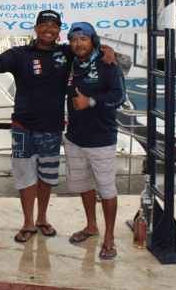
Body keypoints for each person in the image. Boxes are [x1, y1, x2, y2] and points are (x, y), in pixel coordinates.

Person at [0, 10, 115, 243]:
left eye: (54, 26)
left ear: (59, 31)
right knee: (24, 177)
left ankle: (42, 218)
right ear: (36, 28)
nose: (49, 29)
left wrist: (107, 49)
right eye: (44, 25)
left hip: (52, 129)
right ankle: (28, 222)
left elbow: (89, 48)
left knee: (46, 177)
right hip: (22, 128)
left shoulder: (66, 52)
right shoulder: (20, 53)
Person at [63, 22, 126, 261]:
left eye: (84, 39)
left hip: (102, 139)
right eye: (74, 40)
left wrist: (90, 101)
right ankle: (91, 226)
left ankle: (109, 237)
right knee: (86, 184)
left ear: (93, 41)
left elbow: (119, 96)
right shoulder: (69, 62)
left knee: (107, 188)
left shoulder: (108, 63)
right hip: (75, 138)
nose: (78, 44)